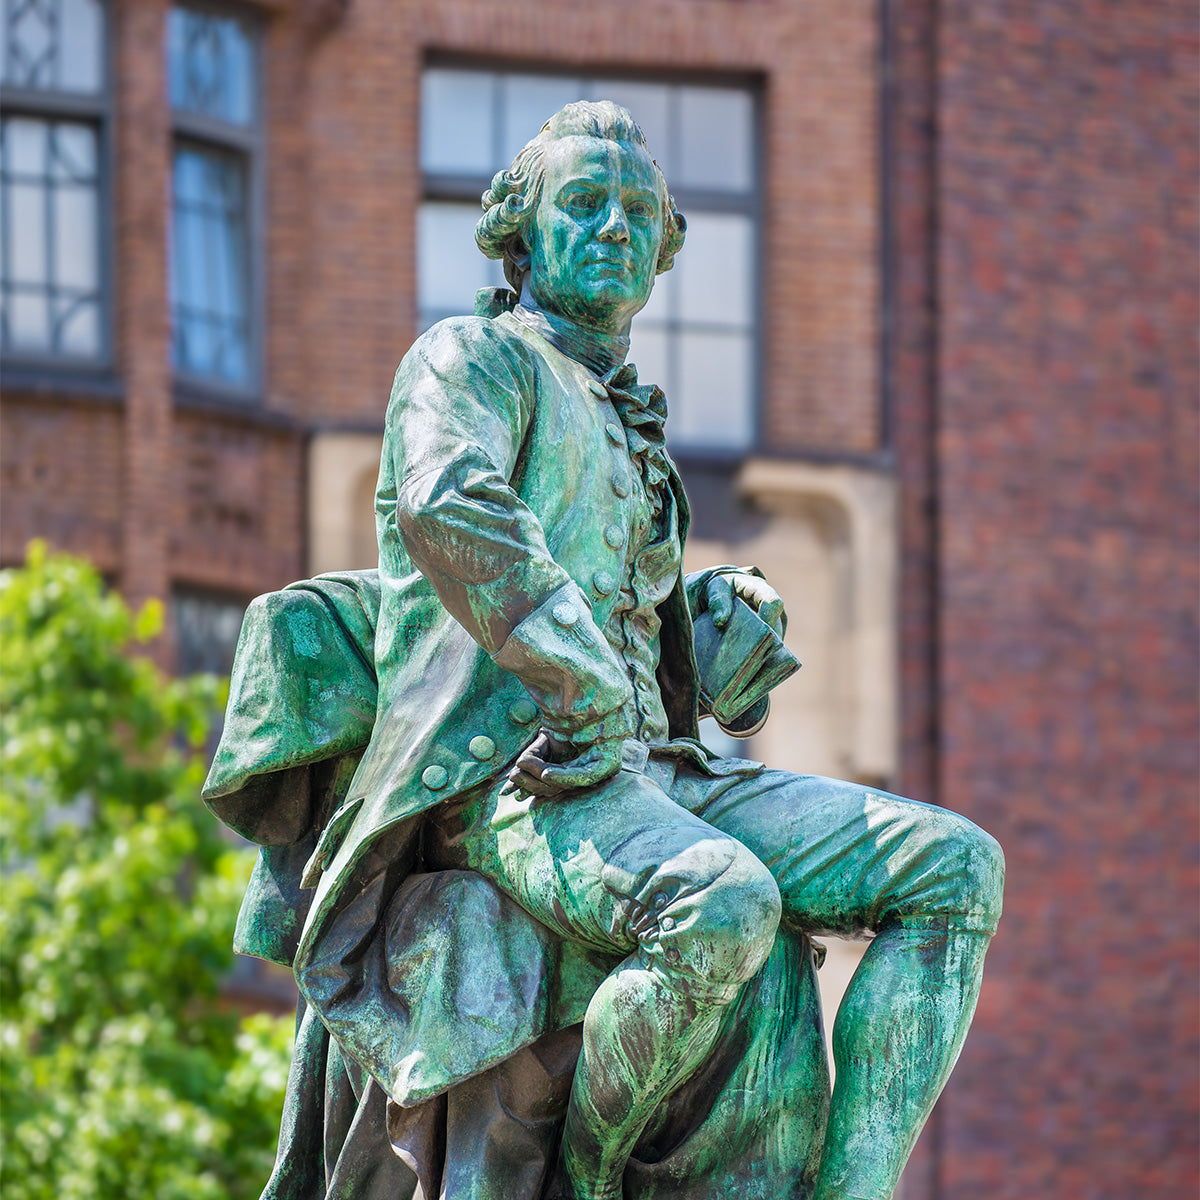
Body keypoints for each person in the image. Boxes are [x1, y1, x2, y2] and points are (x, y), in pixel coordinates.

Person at [277, 101, 1004, 1200]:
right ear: (521, 234)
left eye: (636, 211)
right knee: (723, 905)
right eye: (582, 204)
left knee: (957, 871)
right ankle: (591, 1174)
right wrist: (575, 683)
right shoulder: (470, 361)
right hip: (514, 783)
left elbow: (639, 631)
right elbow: (449, 502)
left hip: (659, 774)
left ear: (663, 246)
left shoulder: (631, 419)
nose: (614, 227)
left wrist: (719, 623)